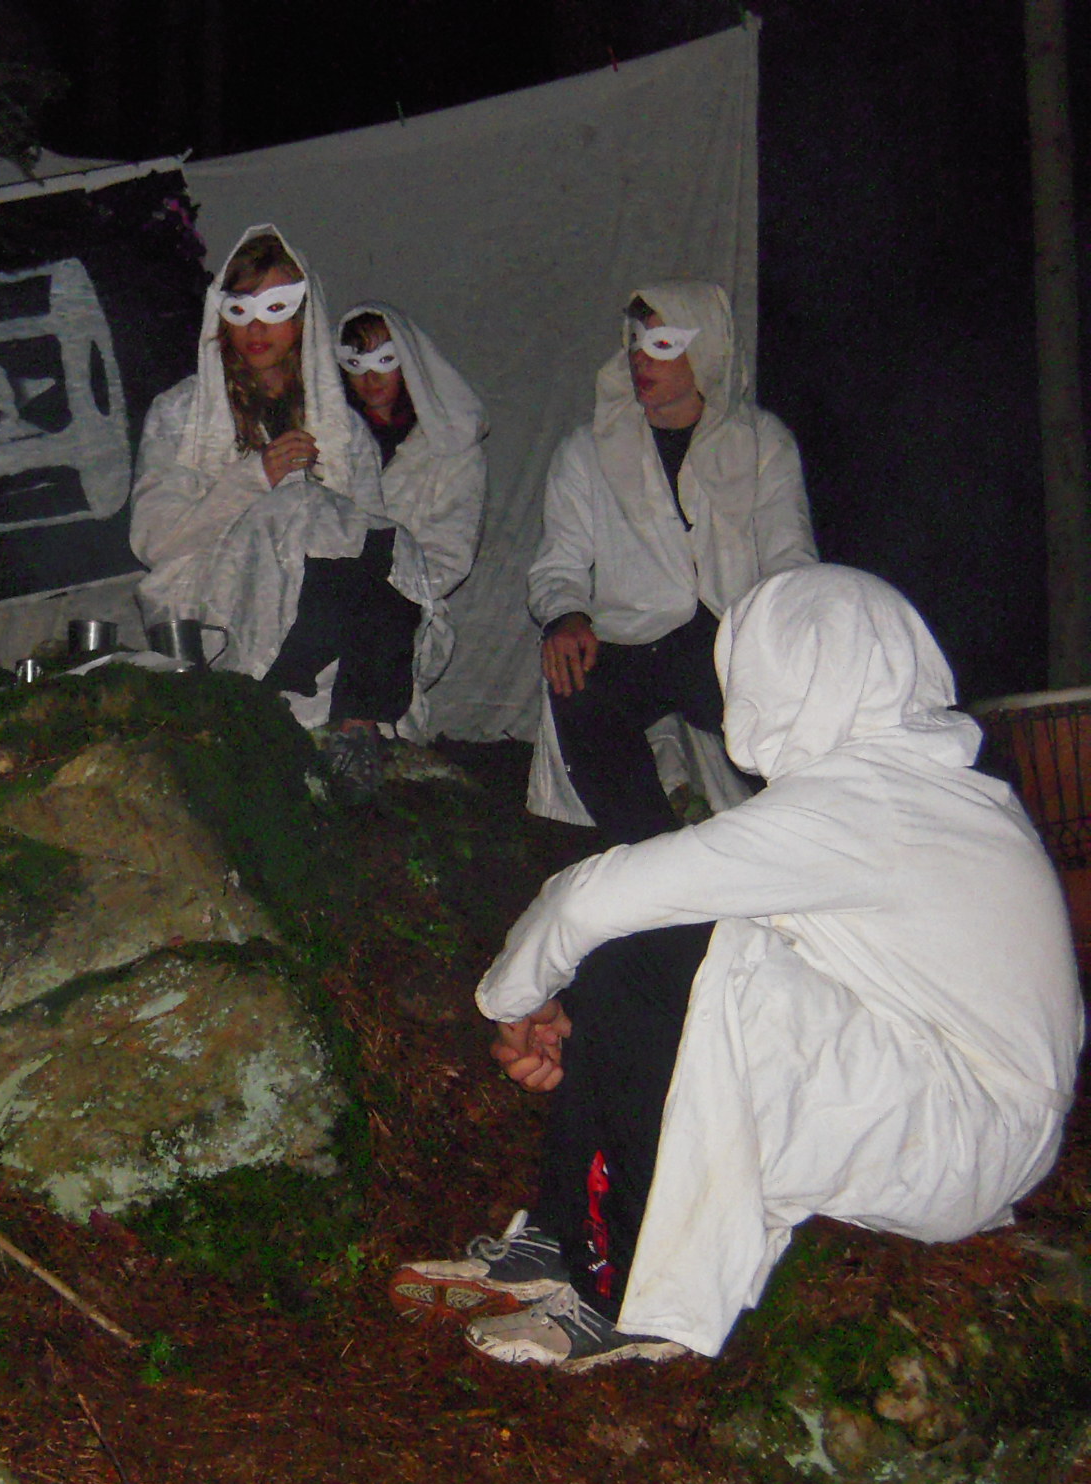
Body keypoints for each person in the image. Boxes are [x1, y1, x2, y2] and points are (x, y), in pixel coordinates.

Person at [391, 565, 1083, 1370]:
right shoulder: (922, 790)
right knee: (653, 945)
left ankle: (627, 1294)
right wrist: (569, 1004)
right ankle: (563, 1232)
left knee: (648, 942)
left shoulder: (871, 802)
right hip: (956, 1112)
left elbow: (592, 897)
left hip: (957, 1136)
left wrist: (514, 1004)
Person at [527, 281, 816, 844]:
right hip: (629, 639)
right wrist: (565, 615)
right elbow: (558, 564)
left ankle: (793, 840)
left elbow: (790, 557)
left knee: (779, 727)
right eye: (635, 341)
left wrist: (784, 640)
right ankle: (646, 847)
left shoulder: (762, 442)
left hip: (729, 639)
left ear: (704, 349)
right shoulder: (587, 451)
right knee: (575, 680)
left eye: (662, 343)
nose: (640, 358)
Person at [128, 226, 396, 791]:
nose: (256, 328)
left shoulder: (341, 428)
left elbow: (375, 541)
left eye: (275, 309)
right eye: (241, 309)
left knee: (380, 549)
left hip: (325, 627)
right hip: (214, 611)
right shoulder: (180, 414)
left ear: (302, 318)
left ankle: (352, 727)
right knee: (294, 507)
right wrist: (255, 479)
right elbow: (153, 540)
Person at [306, 303, 487, 742]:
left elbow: (451, 550)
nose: (371, 378)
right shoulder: (325, 441)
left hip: (408, 606)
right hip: (324, 599)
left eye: (384, 360)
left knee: (380, 658)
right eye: (356, 362)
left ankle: (365, 742)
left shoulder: (451, 451)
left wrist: (389, 580)